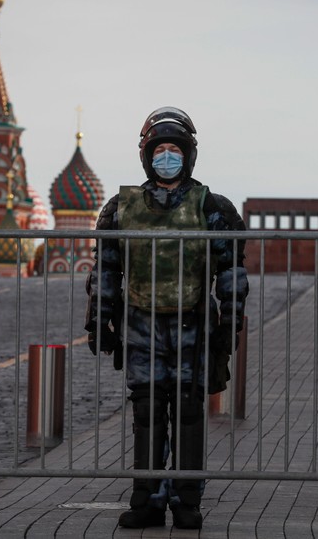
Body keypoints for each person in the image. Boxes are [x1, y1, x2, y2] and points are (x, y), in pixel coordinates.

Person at [85, 106, 249, 529]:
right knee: (148, 410)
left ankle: (187, 499)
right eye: (161, 149)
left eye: (175, 149)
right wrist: (100, 316)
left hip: (193, 324)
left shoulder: (212, 207)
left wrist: (230, 319)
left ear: (189, 155)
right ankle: (148, 498)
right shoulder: (121, 209)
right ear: (147, 155)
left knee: (189, 410)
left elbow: (232, 270)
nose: (168, 157)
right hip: (141, 324)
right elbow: (105, 268)